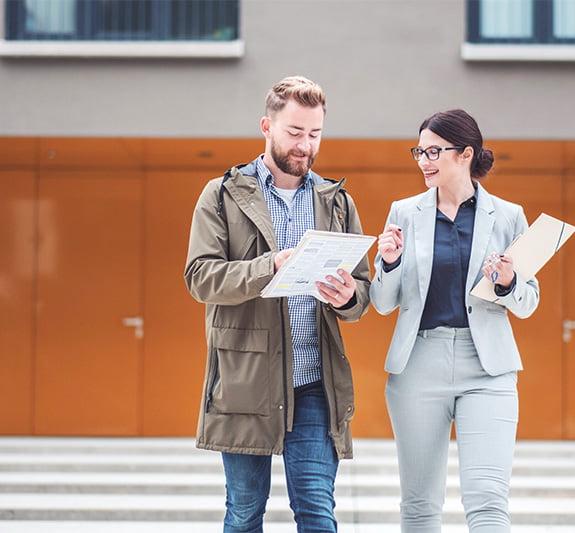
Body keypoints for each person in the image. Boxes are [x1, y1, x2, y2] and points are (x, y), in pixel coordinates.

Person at [184, 75, 371, 533]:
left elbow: (362, 290)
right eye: (294, 132)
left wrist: (349, 296)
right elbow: (200, 277)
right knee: (245, 515)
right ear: (266, 126)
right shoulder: (223, 194)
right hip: (246, 382)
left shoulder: (338, 201)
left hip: (314, 384)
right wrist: (270, 267)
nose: (305, 145)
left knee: (317, 516)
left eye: (315, 134)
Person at [369, 109, 540, 532]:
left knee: (487, 501)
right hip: (417, 365)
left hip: (488, 370)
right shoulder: (403, 212)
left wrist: (507, 280)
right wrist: (389, 263)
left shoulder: (509, 215)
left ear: (466, 154)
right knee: (420, 504)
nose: (424, 161)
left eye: (433, 151)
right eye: (419, 151)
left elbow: (528, 302)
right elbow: (382, 302)